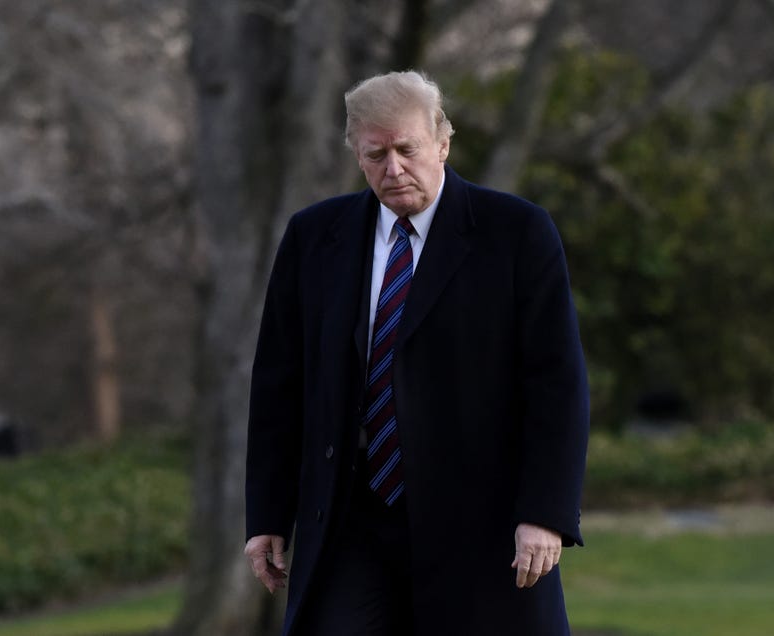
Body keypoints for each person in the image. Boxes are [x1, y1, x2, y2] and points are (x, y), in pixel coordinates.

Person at [244, 70, 590, 636]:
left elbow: (557, 384)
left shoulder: (516, 233)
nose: (393, 168)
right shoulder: (314, 238)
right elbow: (279, 386)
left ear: (443, 142)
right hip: (349, 520)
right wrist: (267, 515)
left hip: (479, 521)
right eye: (375, 154)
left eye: (407, 149)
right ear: (357, 154)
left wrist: (545, 514)